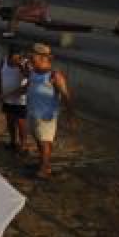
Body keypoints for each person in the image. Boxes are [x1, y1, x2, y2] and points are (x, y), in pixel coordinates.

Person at [25, 43, 74, 179]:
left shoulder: (54, 75)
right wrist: (10, 94)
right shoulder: (34, 72)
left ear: (42, 57)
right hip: (33, 113)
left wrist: (70, 116)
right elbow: (28, 87)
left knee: (45, 142)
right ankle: (45, 164)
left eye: (32, 55)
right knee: (39, 141)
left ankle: (44, 169)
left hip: (46, 116)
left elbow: (66, 96)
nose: (30, 58)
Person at [0, 46, 29, 154]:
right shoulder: (4, 61)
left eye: (17, 58)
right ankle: (13, 142)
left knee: (21, 123)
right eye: (13, 58)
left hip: (20, 100)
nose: (15, 61)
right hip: (6, 98)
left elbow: (28, 77)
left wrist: (21, 66)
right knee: (10, 121)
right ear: (9, 56)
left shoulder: (25, 63)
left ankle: (23, 145)